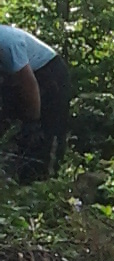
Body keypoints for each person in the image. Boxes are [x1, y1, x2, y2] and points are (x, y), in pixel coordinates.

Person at [0, 24, 70, 180]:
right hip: (15, 77)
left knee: (46, 131)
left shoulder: (7, 43)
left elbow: (29, 85)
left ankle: (46, 178)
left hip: (49, 72)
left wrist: (33, 121)